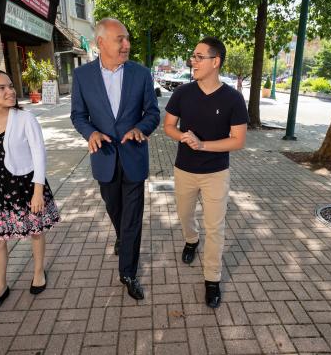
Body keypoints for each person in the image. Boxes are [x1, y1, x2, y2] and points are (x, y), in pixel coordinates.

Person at [70, 18, 160, 300]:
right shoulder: (83, 76)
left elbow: (153, 113)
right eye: (120, 39)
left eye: (128, 39)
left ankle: (128, 272)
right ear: (101, 43)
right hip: (104, 158)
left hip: (133, 157)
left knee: (132, 217)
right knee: (113, 207)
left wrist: (140, 128)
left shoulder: (141, 74)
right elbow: (78, 115)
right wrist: (91, 133)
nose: (127, 44)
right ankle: (122, 237)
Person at [163, 37, 248, 308]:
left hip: (216, 173)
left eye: (199, 57)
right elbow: (168, 126)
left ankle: (212, 279)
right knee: (185, 215)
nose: (193, 61)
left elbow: (238, 140)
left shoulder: (233, 99)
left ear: (216, 62)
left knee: (216, 228)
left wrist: (203, 145)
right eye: (193, 56)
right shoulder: (182, 93)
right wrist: (182, 137)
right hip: (184, 170)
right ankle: (191, 240)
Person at [0, 68, 60, 312]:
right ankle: (0, 287)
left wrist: (37, 191)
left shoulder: (25, 118)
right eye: (2, 88)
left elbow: (39, 155)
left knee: (34, 231)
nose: (10, 91)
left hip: (25, 185)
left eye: (10, 86)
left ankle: (38, 271)